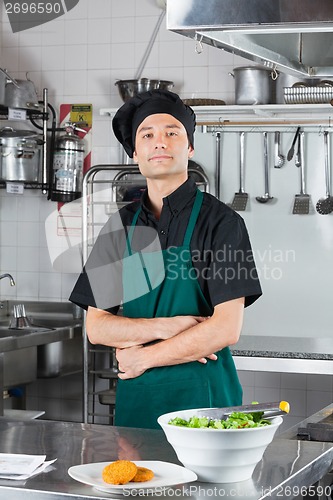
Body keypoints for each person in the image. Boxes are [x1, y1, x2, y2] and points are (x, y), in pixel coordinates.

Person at [70, 90, 262, 429]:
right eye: (148, 134)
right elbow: (97, 327)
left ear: (189, 148)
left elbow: (225, 328)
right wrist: (170, 326)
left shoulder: (223, 223)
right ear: (135, 153)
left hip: (204, 405)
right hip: (137, 406)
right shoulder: (120, 226)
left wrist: (143, 357)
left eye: (172, 132)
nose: (160, 141)